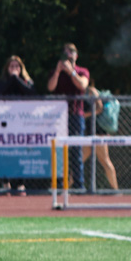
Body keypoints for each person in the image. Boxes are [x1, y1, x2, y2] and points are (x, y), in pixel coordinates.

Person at [47, 43, 91, 182]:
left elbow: (82, 85)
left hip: (76, 115)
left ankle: (79, 184)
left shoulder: (82, 71)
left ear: (76, 55)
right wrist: (58, 71)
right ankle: (59, 184)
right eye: (66, 52)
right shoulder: (56, 71)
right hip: (59, 117)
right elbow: (50, 87)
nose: (69, 55)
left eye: (71, 52)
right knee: (59, 151)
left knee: (76, 150)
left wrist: (71, 71)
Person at [0, 55, 35, 195]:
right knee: (4, 154)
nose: (14, 69)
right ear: (7, 69)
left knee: (21, 153)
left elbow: (31, 94)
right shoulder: (2, 82)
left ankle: (20, 183)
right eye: (12, 66)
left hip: (22, 124)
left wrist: (17, 79)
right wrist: (12, 79)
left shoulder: (27, 81)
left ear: (21, 68)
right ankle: (6, 183)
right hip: (4, 124)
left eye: (17, 66)